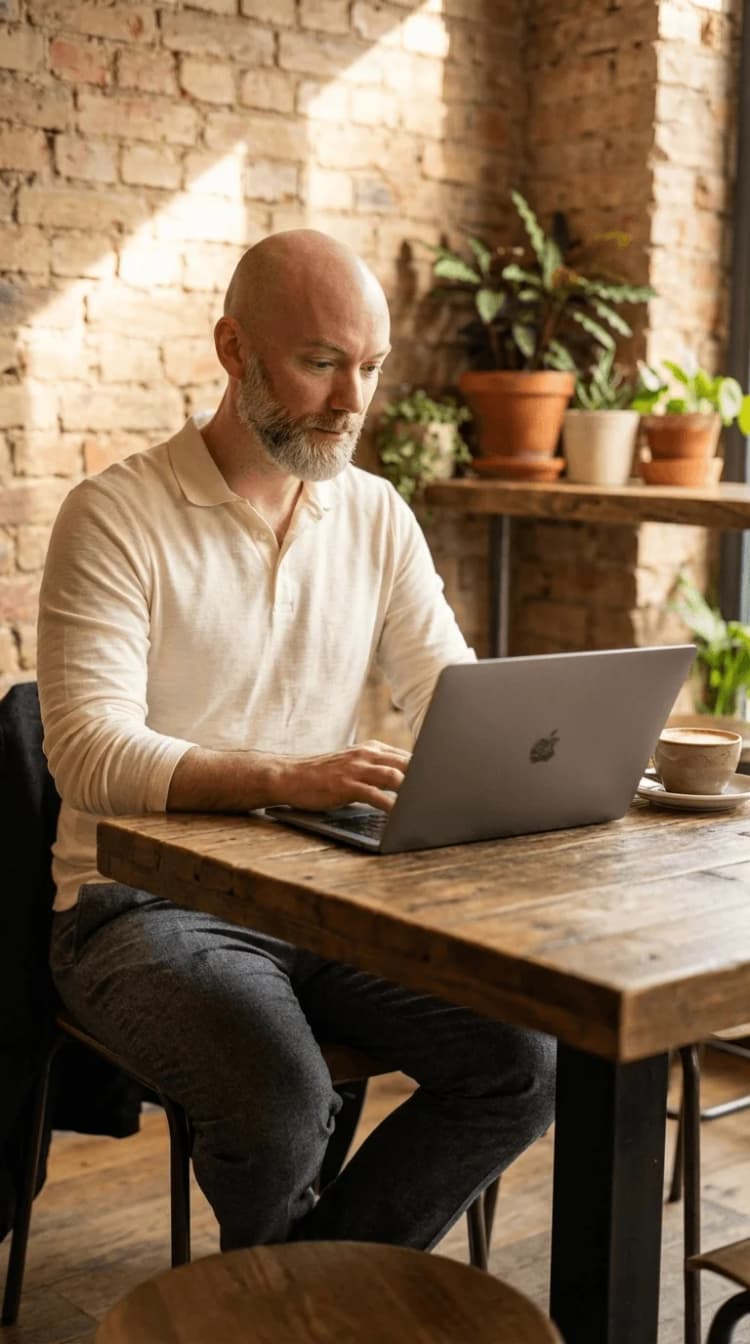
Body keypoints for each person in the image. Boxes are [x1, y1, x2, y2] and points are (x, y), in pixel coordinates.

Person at [37, 229, 555, 1253]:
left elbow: (449, 692)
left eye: (369, 367)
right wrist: (293, 775)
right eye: (321, 363)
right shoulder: (115, 514)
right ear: (234, 350)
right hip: (138, 904)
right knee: (281, 1107)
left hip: (324, 895)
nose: (352, 401)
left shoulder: (376, 515)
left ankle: (311, 1295)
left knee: (527, 1058)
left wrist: (553, 747)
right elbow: (88, 752)